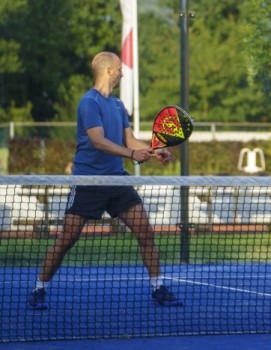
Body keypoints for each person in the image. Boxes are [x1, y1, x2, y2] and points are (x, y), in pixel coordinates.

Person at [27, 51, 182, 309]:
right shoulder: (89, 103)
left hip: (117, 181)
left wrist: (154, 152)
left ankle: (158, 287)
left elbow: (129, 141)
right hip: (89, 181)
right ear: (108, 71)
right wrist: (132, 154)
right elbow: (98, 141)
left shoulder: (118, 105)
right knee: (68, 238)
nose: (122, 72)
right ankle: (39, 289)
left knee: (145, 231)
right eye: (119, 68)